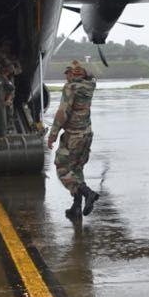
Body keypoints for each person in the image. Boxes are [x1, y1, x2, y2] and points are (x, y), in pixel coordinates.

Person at [47, 60, 99, 222]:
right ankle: (76, 207)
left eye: (70, 72)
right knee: (76, 169)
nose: (67, 76)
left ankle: (87, 192)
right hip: (87, 135)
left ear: (75, 74)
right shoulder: (89, 86)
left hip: (73, 136)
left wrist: (52, 135)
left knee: (62, 168)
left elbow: (63, 113)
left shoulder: (71, 88)